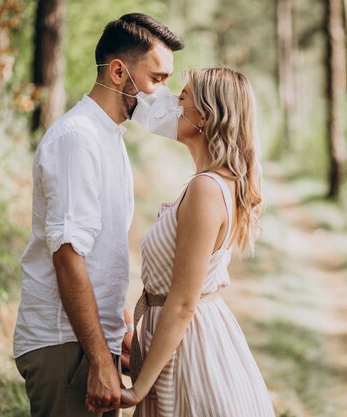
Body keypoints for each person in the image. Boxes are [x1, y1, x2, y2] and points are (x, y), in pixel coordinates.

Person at [12, 14, 184, 417]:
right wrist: (99, 360)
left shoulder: (109, 137)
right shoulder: (78, 139)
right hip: (65, 344)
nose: (164, 92)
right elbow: (68, 257)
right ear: (119, 71)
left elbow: (102, 257)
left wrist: (119, 331)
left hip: (88, 342)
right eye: (156, 79)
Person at [102, 67, 276, 417]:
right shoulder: (213, 184)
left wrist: (138, 388)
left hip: (190, 348)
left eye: (181, 98)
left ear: (207, 117)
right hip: (181, 339)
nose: (169, 106)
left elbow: (182, 303)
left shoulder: (207, 189)